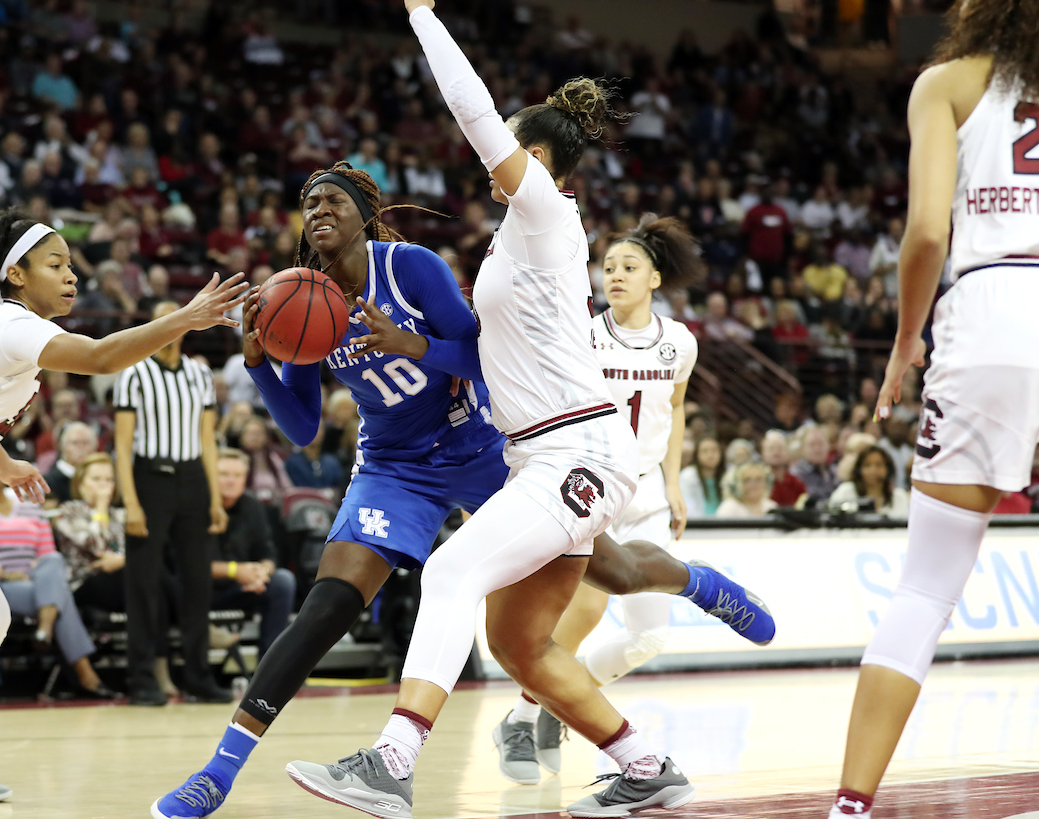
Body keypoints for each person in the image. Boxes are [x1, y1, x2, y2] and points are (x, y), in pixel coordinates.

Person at [152, 163, 768, 818]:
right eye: (307, 202)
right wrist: (259, 365)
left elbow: (482, 357)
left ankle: (698, 583)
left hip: (478, 445)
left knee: (611, 569)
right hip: (393, 466)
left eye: (331, 198)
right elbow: (302, 427)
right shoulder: (299, 295)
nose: (317, 209)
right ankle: (218, 772)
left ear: (366, 211)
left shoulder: (411, 269)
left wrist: (412, 344)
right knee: (327, 606)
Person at [286, 5, 773, 819]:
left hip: (577, 453)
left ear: (537, 156)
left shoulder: (547, 211)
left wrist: (422, 18)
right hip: (541, 455)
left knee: (449, 572)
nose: (490, 163)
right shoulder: (512, 239)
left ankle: (393, 761)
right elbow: (481, 352)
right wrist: (408, 344)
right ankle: (646, 764)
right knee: (519, 644)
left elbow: (473, 112)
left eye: (510, 147)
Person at [0, 206, 242, 818]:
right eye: (56, 264)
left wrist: (2, 465)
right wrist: (181, 320)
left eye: (73, 265)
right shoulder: (9, 324)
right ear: (17, 274)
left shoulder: (1, 325)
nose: (71, 276)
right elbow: (104, 358)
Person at [827, 7, 1039, 814]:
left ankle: (851, 805)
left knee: (925, 588)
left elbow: (924, 232)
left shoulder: (946, 83)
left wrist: (906, 339)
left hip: (994, 309)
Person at [492, 216, 739, 785]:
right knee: (579, 613)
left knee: (648, 635)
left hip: (646, 486)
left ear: (655, 278)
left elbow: (673, 412)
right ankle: (528, 714)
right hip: (588, 483)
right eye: (608, 268)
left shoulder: (680, 341)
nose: (616, 276)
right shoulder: (581, 333)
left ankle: (544, 706)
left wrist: (675, 483)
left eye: (629, 268)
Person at [114, 301, 232, 707]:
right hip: (150, 479)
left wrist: (215, 497)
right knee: (143, 585)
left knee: (198, 584)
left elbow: (208, 442)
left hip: (193, 480)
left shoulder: (200, 374)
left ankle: (198, 676)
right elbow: (122, 444)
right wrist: (129, 502)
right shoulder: (134, 372)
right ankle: (143, 678)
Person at [0, 463, 117, 699]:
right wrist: (3, 572)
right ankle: (83, 671)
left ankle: (46, 630)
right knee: (60, 597)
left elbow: (46, 550)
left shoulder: (30, 507)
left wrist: (36, 570)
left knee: (53, 560)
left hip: (37, 578)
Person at [52, 452, 179, 699]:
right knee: (150, 578)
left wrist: (123, 560)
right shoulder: (68, 512)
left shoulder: (122, 515)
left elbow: (138, 554)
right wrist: (100, 507)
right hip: (86, 584)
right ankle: (168, 656)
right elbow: (96, 545)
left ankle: (158, 669)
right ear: (80, 483)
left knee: (154, 585)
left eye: (108, 481)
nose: (103, 486)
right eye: (96, 479)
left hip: (123, 580)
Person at [209, 448, 295, 659]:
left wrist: (262, 572)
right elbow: (189, 564)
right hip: (200, 589)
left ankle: (271, 668)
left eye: (238, 476)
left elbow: (268, 551)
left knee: (282, 582)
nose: (231, 481)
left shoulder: (252, 506)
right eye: (224, 475)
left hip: (241, 587)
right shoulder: (195, 506)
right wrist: (235, 571)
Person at [828, 445, 910, 518]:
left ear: (888, 469)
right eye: (867, 465)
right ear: (859, 469)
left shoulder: (899, 496)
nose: (873, 470)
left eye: (879, 465)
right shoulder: (846, 491)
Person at [42, 420, 99, 505]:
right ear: (63, 448)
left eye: (85, 443)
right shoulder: (49, 481)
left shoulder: (100, 477)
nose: (80, 448)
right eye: (74, 443)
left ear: (94, 448)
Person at [762, 430, 808, 507]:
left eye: (780, 448)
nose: (776, 452)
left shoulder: (796, 482)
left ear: (787, 452)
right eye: (771, 448)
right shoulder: (758, 480)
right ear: (763, 453)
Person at [681, 437, 723, 516]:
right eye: (705, 451)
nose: (710, 455)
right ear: (697, 455)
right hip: (698, 523)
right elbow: (687, 506)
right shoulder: (688, 475)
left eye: (714, 450)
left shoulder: (726, 475)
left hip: (726, 523)